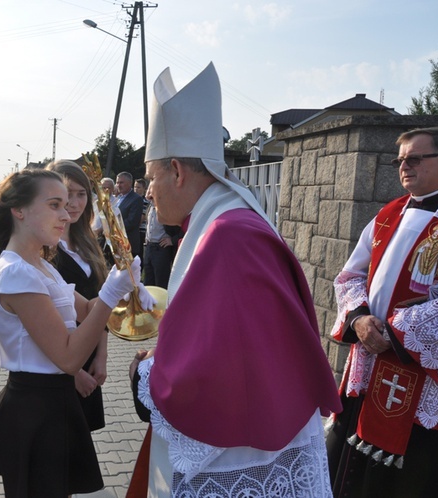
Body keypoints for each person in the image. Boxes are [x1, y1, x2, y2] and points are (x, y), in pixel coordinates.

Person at [127, 63, 341, 498]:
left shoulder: (226, 235)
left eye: (151, 178)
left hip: (242, 455)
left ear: (177, 171)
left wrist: (146, 373)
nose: (148, 191)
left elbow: (217, 373)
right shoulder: (222, 221)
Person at [0, 168, 144, 497]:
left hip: (53, 403)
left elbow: (86, 311)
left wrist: (128, 292)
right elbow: (69, 358)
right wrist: (111, 295)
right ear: (20, 210)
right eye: (55, 204)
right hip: (35, 407)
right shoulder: (17, 274)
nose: (66, 214)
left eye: (66, 203)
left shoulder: (40, 265)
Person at [326, 127, 438, 498]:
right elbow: (349, 275)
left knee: (407, 480)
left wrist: (392, 334)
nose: (404, 167)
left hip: (419, 372)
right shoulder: (388, 213)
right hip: (369, 362)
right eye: (400, 160)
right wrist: (359, 319)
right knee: (349, 466)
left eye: (414, 158)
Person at [46, 159, 110, 431]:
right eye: (66, 193)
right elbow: (40, 321)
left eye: (81, 193)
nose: (73, 202)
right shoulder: (42, 248)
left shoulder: (88, 242)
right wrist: (72, 373)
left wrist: (101, 356)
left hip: (89, 356)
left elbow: (100, 304)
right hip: (57, 364)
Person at [142, 199, 180, 289]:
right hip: (149, 248)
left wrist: (172, 240)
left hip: (161, 249)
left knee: (161, 284)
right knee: (147, 283)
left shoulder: (168, 208)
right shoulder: (150, 206)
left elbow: (182, 229)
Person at [115, 171, 144, 258]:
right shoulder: (118, 198)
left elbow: (132, 222)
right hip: (116, 243)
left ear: (130, 183)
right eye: (117, 182)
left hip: (127, 244)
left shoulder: (136, 199)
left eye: (121, 182)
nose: (119, 185)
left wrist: (114, 229)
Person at [135, 178, 150, 263]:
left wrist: (135, 226)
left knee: (139, 254)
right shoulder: (133, 199)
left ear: (144, 189)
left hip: (141, 231)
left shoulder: (145, 201)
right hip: (134, 231)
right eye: (135, 187)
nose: (136, 189)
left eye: (139, 187)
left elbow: (142, 217)